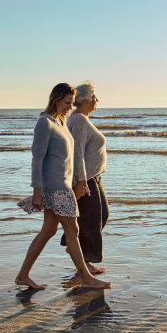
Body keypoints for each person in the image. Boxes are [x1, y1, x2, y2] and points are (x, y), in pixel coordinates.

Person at [15, 83, 111, 290]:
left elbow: (73, 155)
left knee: (48, 231)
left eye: (72, 103)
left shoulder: (61, 122)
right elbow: (37, 159)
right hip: (55, 188)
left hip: (64, 185)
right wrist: (37, 192)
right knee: (73, 230)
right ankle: (85, 276)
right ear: (56, 99)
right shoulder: (45, 122)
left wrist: (79, 180)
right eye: (67, 103)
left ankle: (23, 275)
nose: (70, 106)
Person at [60, 81, 109, 274]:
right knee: (91, 220)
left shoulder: (80, 119)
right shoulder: (79, 120)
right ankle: (84, 263)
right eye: (95, 97)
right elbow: (77, 152)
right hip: (86, 180)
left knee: (99, 215)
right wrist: (81, 181)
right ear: (87, 100)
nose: (97, 100)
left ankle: (76, 248)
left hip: (92, 177)